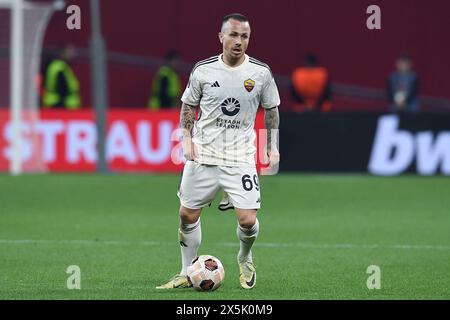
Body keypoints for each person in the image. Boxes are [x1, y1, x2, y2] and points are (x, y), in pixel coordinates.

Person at [156, 13, 280, 290]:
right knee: (187, 215)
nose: (239, 41)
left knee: (248, 220)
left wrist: (271, 146)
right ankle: (187, 272)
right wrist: (187, 139)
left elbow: (271, 110)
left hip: (240, 156)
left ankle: (245, 257)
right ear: (221, 37)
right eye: (233, 35)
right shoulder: (203, 70)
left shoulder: (260, 73)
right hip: (205, 154)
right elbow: (188, 106)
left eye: (244, 36)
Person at [42, 45, 81, 109]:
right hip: (59, 105)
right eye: (70, 52)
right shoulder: (60, 67)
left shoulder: (56, 65)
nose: (73, 55)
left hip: (54, 103)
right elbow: (62, 87)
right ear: (63, 53)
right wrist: (62, 103)